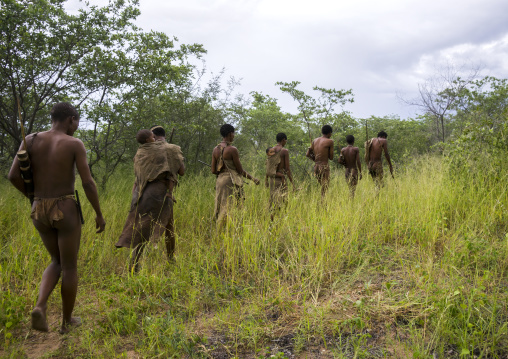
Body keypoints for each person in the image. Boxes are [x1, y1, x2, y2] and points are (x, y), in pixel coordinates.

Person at [8, 102, 106, 334]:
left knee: (56, 261)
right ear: (71, 119)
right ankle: (66, 322)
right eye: (77, 122)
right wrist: (99, 213)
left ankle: (40, 307)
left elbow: (13, 176)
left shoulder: (30, 139)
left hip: (39, 207)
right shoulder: (73, 143)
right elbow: (88, 182)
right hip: (65, 207)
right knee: (69, 267)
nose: (77, 127)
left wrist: (32, 197)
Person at [116, 129, 184, 271]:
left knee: (142, 226)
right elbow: (181, 171)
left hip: (141, 192)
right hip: (160, 192)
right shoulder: (169, 148)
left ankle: (135, 262)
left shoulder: (141, 152)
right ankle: (170, 259)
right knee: (168, 227)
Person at [211, 124, 260, 229]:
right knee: (228, 207)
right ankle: (226, 231)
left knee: (220, 206)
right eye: (233, 133)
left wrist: (222, 170)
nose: (234, 136)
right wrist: (253, 179)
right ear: (229, 134)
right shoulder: (232, 149)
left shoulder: (215, 149)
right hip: (230, 181)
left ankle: (220, 230)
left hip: (219, 181)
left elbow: (213, 171)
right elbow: (240, 170)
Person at [265, 133, 295, 219]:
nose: (285, 142)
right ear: (283, 140)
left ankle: (272, 223)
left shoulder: (271, 150)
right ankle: (278, 223)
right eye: (285, 140)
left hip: (272, 180)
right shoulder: (284, 151)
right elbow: (287, 168)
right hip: (280, 180)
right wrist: (292, 183)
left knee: (273, 201)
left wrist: (266, 180)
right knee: (282, 203)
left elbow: (268, 167)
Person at [306, 125, 334, 197]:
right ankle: (322, 206)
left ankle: (321, 204)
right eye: (331, 134)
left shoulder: (315, 140)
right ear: (329, 133)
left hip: (316, 167)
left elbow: (307, 154)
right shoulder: (330, 141)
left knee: (322, 187)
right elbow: (331, 157)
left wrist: (315, 160)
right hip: (324, 167)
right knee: (325, 189)